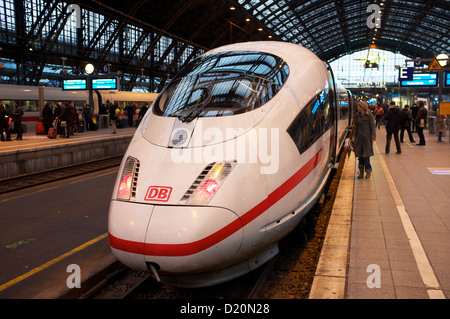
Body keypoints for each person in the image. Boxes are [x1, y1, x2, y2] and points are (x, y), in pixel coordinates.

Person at [352, 101, 376, 179]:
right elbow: (355, 127)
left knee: (366, 156)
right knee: (360, 156)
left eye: (358, 106)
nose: (357, 108)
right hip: (359, 138)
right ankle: (361, 172)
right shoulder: (357, 116)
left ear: (362, 107)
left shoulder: (369, 115)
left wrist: (373, 136)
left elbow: (372, 126)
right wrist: (353, 136)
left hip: (367, 138)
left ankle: (368, 171)